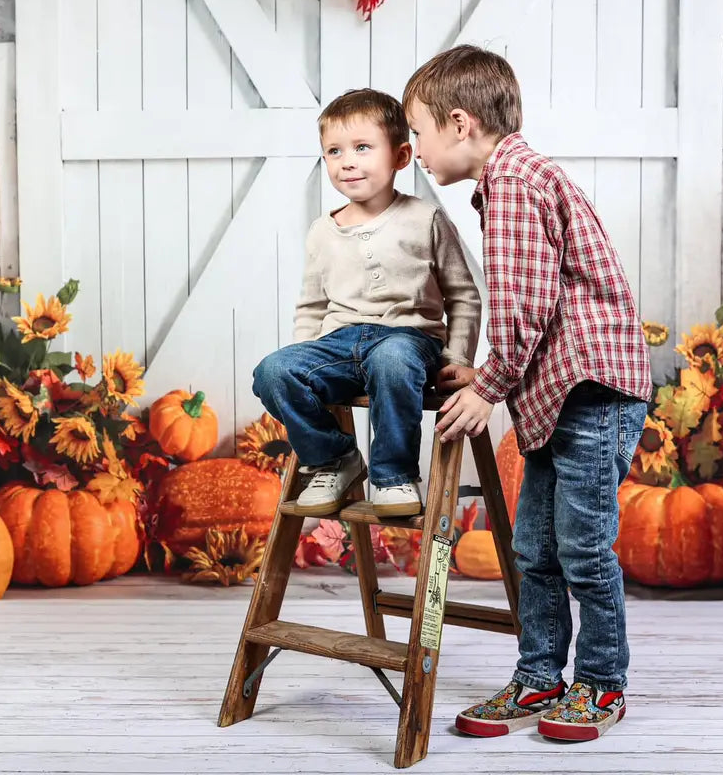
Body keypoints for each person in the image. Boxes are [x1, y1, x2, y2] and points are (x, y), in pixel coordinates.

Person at [402, 45, 652, 741]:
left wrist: (487, 386)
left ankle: (602, 683)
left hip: (591, 393)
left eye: (417, 132)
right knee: (535, 549)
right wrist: (484, 375)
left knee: (582, 547)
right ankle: (540, 675)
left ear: (460, 124)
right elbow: (530, 302)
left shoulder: (514, 181)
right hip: (557, 394)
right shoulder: (515, 175)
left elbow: (525, 307)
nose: (414, 149)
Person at [252, 88, 481, 518]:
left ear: (400, 155)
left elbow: (463, 295)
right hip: (339, 345)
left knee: (391, 358)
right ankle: (334, 458)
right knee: (274, 371)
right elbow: (312, 305)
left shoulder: (425, 218)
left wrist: (456, 357)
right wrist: (306, 356)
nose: (347, 161)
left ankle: (393, 475)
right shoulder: (323, 230)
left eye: (362, 148)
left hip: (409, 342)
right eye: (334, 151)